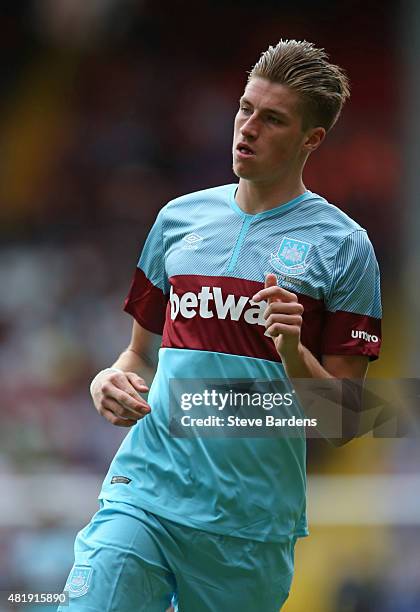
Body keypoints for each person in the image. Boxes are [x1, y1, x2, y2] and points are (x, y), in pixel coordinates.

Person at [59, 39, 382, 611]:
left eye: (273, 119)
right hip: (145, 493)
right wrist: (110, 377)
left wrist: (291, 351)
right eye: (244, 109)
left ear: (312, 139)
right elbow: (139, 354)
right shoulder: (178, 220)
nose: (248, 128)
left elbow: (343, 422)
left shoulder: (346, 249)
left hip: (249, 527)